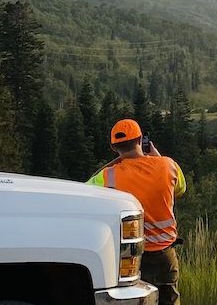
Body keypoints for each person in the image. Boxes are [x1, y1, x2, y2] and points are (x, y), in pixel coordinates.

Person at [87, 119, 187, 305]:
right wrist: (156, 157)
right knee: (170, 299)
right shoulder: (168, 165)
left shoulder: (108, 175)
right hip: (166, 255)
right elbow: (180, 189)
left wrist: (116, 161)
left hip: (133, 258)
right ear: (141, 140)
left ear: (113, 147)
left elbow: (86, 189)